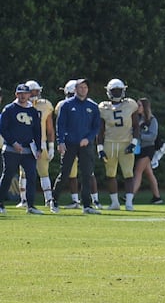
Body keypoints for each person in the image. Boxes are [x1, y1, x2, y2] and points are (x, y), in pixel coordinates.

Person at [56, 78, 101, 213]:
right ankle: (54, 201)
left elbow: (96, 127)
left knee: (87, 175)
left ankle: (87, 205)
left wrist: (88, 139)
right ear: (75, 89)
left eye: (85, 87)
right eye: (80, 87)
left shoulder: (93, 106)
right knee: (64, 173)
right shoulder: (66, 105)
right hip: (70, 144)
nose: (83, 90)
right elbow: (60, 125)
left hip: (85, 145)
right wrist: (60, 142)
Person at [1, 84, 45, 214]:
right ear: (16, 94)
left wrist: (38, 148)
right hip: (11, 149)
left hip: (28, 150)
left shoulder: (33, 111)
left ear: (29, 95)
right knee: (7, 176)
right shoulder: (9, 109)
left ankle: (30, 206)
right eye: (20, 93)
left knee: (31, 177)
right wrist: (13, 143)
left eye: (25, 93)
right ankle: (0, 203)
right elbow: (3, 128)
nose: (23, 96)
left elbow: (37, 131)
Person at [98, 78, 140, 211]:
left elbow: (136, 126)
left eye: (118, 90)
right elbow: (100, 129)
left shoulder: (130, 104)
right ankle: (115, 203)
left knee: (128, 174)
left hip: (125, 142)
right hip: (109, 143)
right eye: (114, 91)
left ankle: (129, 203)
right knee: (110, 174)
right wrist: (99, 147)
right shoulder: (103, 107)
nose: (116, 93)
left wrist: (133, 143)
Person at [24, 81, 56, 211]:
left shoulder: (45, 105)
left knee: (44, 171)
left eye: (37, 91)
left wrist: (51, 145)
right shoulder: (20, 105)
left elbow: (50, 128)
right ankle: (23, 199)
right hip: (25, 142)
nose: (35, 94)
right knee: (23, 173)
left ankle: (48, 198)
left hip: (40, 142)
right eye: (33, 91)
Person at [130, 98, 163, 204]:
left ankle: (130, 195)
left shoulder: (152, 120)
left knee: (138, 171)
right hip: (138, 148)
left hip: (148, 148)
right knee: (149, 173)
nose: (137, 107)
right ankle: (157, 197)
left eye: (139, 105)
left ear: (144, 107)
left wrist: (139, 135)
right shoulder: (136, 118)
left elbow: (153, 136)